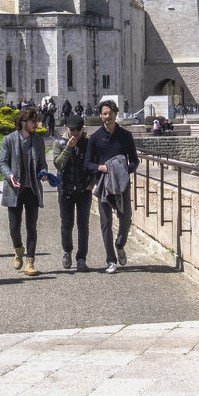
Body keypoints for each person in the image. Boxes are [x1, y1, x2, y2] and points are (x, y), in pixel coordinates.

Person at [86, 99, 139, 273]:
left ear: (116, 114)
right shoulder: (94, 138)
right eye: (104, 114)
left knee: (125, 219)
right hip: (103, 184)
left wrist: (124, 170)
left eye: (110, 113)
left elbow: (135, 161)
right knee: (105, 222)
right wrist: (99, 168)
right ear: (101, 116)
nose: (107, 117)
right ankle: (111, 260)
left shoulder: (125, 136)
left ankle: (120, 244)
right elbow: (87, 164)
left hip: (122, 184)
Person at [0, 106, 47, 276]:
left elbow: (42, 162)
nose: (37, 124)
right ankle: (18, 249)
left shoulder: (38, 141)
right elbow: (2, 162)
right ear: (23, 122)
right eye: (34, 121)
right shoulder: (9, 140)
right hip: (15, 189)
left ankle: (30, 262)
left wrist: (43, 173)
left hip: (32, 188)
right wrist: (10, 175)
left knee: (32, 226)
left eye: (37, 121)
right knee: (14, 227)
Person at [53, 115, 93, 271]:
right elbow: (58, 165)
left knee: (83, 225)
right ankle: (67, 251)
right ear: (66, 128)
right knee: (66, 225)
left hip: (84, 190)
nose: (74, 133)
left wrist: (91, 183)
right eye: (71, 130)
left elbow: (93, 164)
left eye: (77, 130)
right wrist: (69, 147)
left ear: (82, 128)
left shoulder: (88, 143)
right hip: (65, 190)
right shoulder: (59, 143)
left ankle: (81, 258)